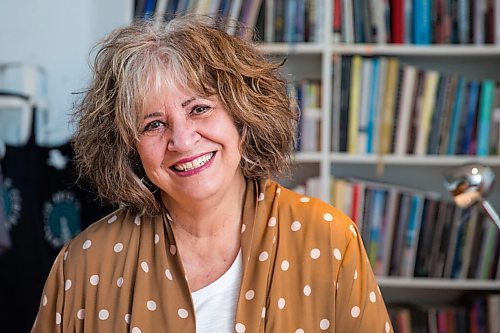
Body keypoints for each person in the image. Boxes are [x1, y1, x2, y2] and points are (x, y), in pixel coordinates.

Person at [32, 15, 393, 333]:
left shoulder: (329, 240)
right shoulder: (84, 263)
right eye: (154, 124)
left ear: (242, 116)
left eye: (200, 109)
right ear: (129, 148)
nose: (183, 140)